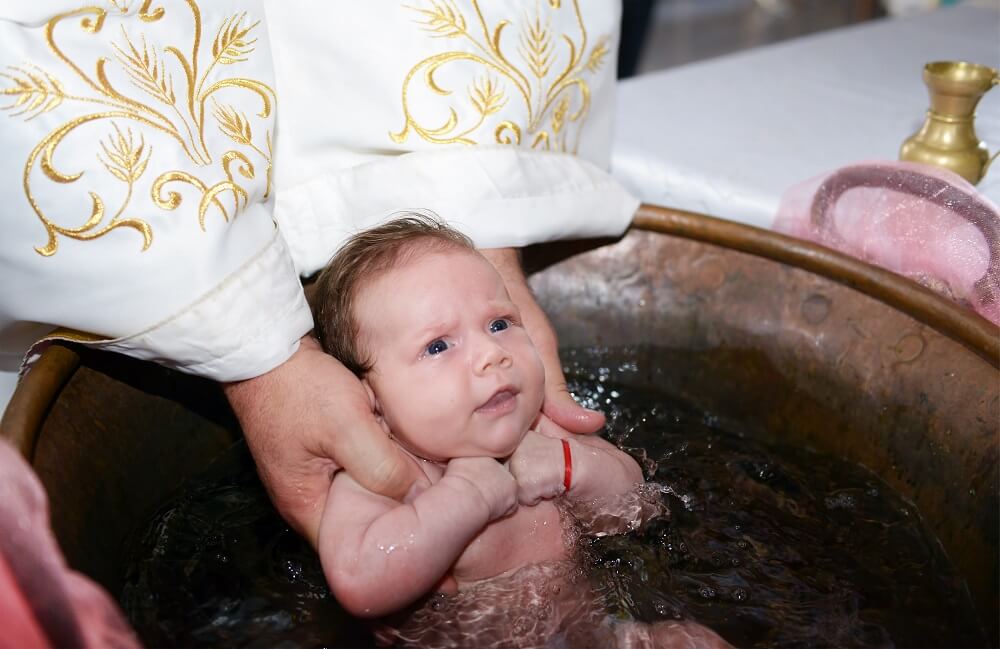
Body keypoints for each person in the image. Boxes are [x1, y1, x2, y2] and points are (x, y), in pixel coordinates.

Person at [310, 215, 733, 648]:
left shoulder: (539, 432)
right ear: (371, 402)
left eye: (499, 324)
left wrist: (569, 468)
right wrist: (465, 499)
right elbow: (359, 583)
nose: (492, 353)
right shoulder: (385, 478)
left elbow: (638, 511)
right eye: (438, 346)